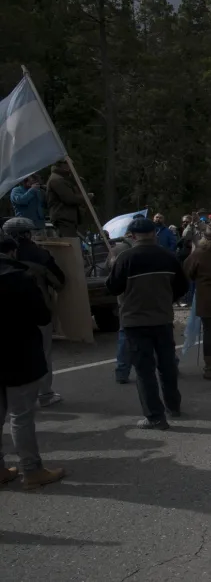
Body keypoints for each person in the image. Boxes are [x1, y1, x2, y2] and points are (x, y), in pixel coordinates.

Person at [106, 217, 188, 429]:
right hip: (162, 318)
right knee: (167, 365)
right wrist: (165, 299)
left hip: (134, 321)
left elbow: (113, 288)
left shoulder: (125, 258)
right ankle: (173, 406)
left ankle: (154, 416)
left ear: (132, 236)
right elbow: (182, 287)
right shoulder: (168, 257)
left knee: (144, 370)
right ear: (154, 233)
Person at [0, 235, 66, 490]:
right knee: (21, 416)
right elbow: (42, 316)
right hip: (18, 354)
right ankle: (32, 470)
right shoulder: (21, 278)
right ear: (13, 252)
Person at [3, 218, 66, 406]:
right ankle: (44, 394)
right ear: (26, 233)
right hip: (35, 310)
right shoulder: (40, 254)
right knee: (42, 352)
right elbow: (59, 281)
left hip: (4, 315)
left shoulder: (5, 255)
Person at [182, 221, 211, 380]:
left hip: (206, 295)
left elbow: (187, 272)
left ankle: (209, 366)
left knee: (209, 332)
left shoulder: (199, 253)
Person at [46, 160, 86, 237]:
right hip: (63, 218)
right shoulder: (57, 180)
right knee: (70, 244)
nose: (71, 165)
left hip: (67, 217)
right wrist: (85, 198)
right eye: (68, 163)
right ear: (62, 164)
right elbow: (69, 198)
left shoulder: (63, 178)